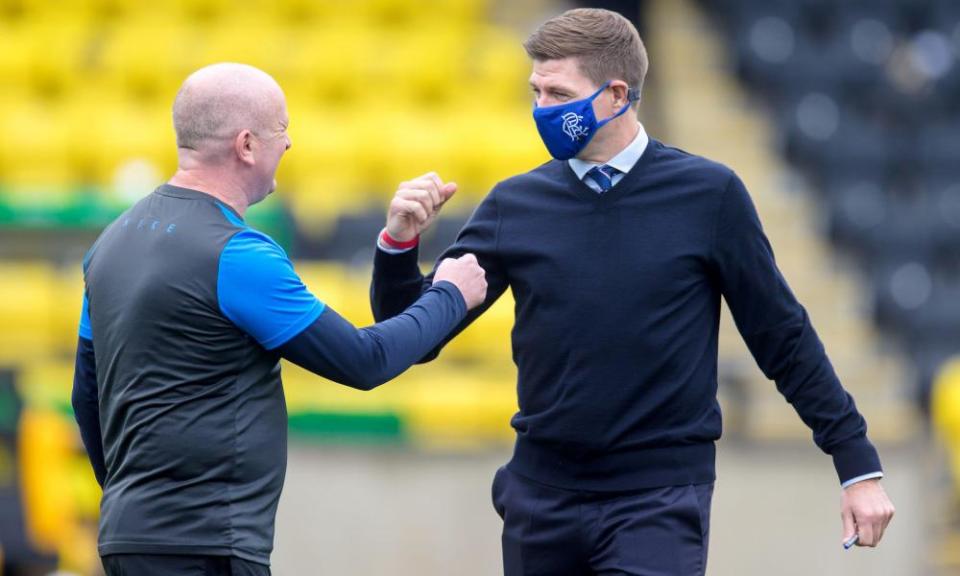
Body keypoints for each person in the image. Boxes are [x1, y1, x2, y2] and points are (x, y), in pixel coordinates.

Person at [370, 8, 895, 575]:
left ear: (616, 94)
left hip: (659, 500)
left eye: (558, 93)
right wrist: (398, 245)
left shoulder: (708, 194)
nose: (541, 109)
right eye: (535, 91)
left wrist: (856, 464)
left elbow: (782, 338)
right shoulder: (512, 205)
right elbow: (415, 336)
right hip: (540, 498)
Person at [70, 63, 487, 576]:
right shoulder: (234, 254)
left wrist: (130, 505)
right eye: (281, 129)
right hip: (207, 546)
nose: (288, 144)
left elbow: (85, 396)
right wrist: (450, 294)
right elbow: (363, 360)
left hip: (126, 537)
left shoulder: (110, 243)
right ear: (246, 145)